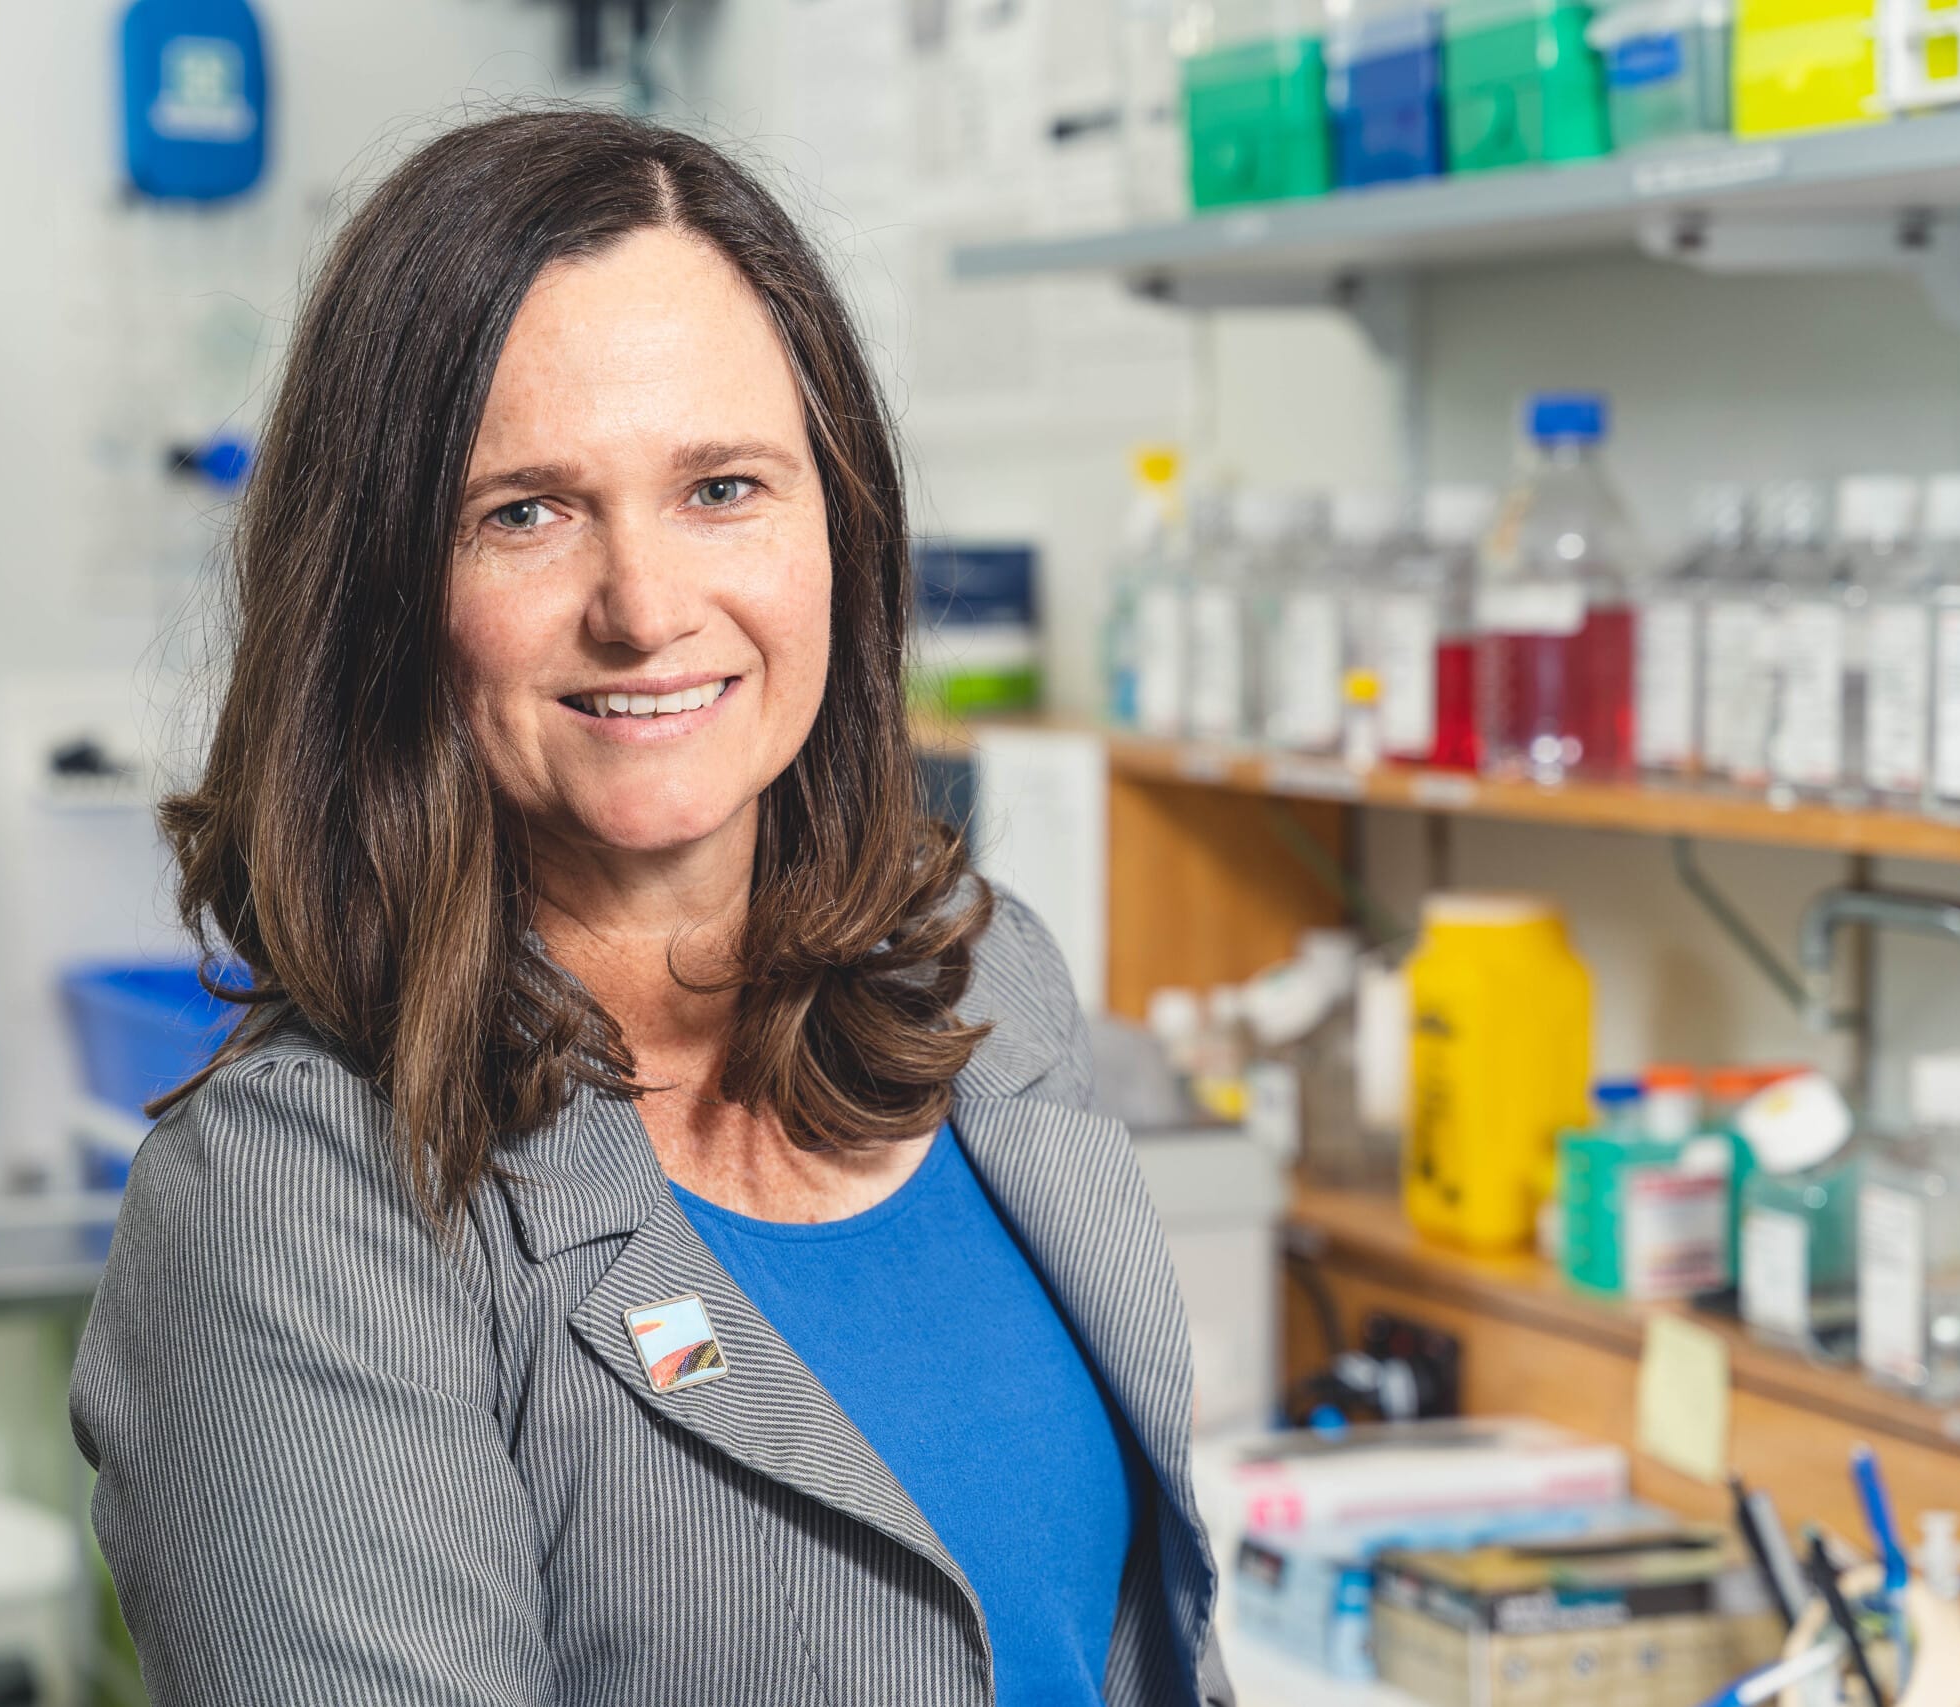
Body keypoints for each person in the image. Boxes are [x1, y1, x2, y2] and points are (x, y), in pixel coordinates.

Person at [69, 106, 1232, 1707]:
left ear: (842, 521)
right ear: (387, 589)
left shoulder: (976, 981)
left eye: (723, 487)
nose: (646, 607)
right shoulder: (302, 1199)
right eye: (525, 512)